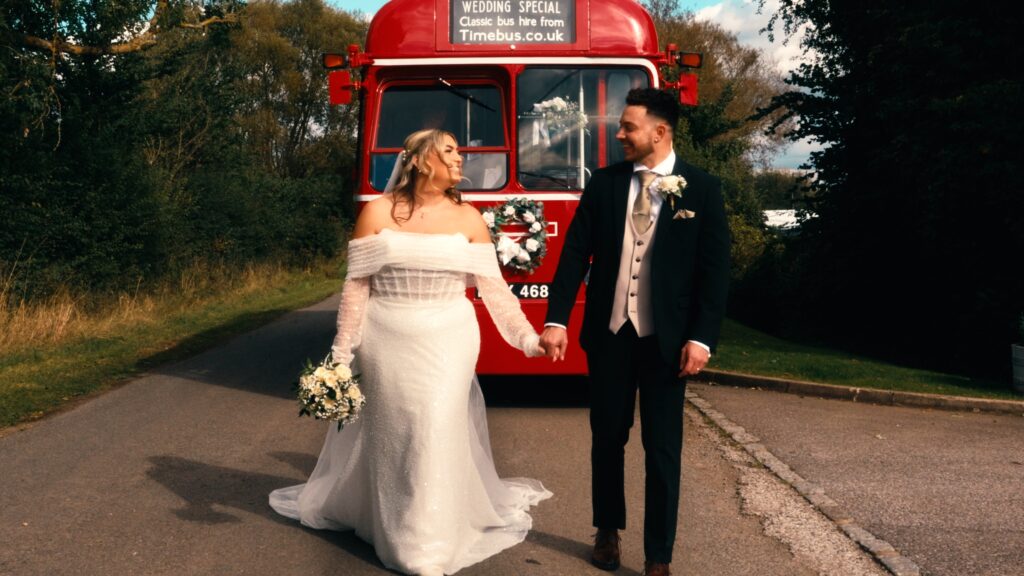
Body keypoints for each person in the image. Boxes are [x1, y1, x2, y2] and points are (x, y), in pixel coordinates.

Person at [270, 129, 552, 576]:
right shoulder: (375, 213)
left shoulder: (471, 219)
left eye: (460, 151)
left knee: (432, 425)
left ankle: (426, 542)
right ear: (420, 161)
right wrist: (341, 357)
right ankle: (386, 522)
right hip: (387, 335)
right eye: (450, 152)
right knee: (397, 431)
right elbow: (356, 290)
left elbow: (495, 293)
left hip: (449, 336)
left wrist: (529, 341)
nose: (461, 159)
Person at [540, 89, 730, 576]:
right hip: (609, 336)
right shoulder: (603, 184)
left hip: (669, 343)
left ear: (659, 132)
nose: (619, 134)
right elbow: (574, 255)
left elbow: (715, 274)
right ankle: (607, 529)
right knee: (607, 438)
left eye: (628, 127)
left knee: (663, 448)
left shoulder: (702, 189)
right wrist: (557, 319)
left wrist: (702, 338)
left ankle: (658, 555)